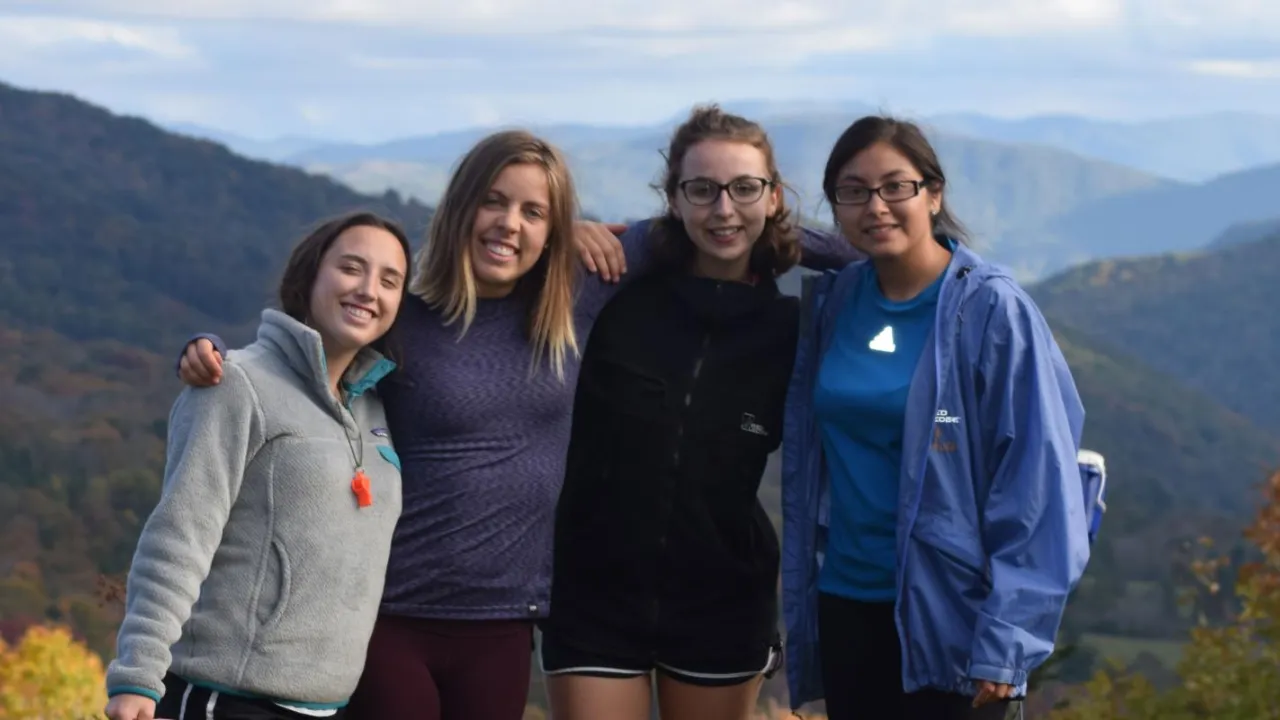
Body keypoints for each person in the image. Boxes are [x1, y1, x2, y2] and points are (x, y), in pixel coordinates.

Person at [172, 128, 858, 720]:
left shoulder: (576, 295)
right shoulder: (404, 315)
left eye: (535, 211)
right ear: (460, 205)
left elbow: (723, 225)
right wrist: (213, 354)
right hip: (388, 612)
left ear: (555, 227)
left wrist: (896, 258)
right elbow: (307, 350)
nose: (510, 223)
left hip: (505, 624)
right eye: (494, 201)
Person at [779, 115, 1091, 720]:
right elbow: (746, 234)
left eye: (897, 186)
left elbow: (1039, 486)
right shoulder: (839, 299)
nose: (877, 206)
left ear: (934, 193)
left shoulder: (991, 311)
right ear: (836, 206)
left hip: (952, 617)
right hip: (846, 604)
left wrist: (1008, 640)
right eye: (854, 192)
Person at [540, 106, 817, 720]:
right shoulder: (609, 294)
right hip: (594, 594)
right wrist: (563, 238)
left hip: (723, 601)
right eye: (702, 190)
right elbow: (500, 274)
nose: (724, 210)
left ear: (773, 197)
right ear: (674, 199)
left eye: (745, 188)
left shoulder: (793, 330)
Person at [103, 211, 413, 720]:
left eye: (389, 280)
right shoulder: (236, 385)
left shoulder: (376, 407)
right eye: (351, 267)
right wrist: (138, 675)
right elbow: (180, 535)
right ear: (309, 275)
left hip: (328, 706)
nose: (367, 289)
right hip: (225, 700)